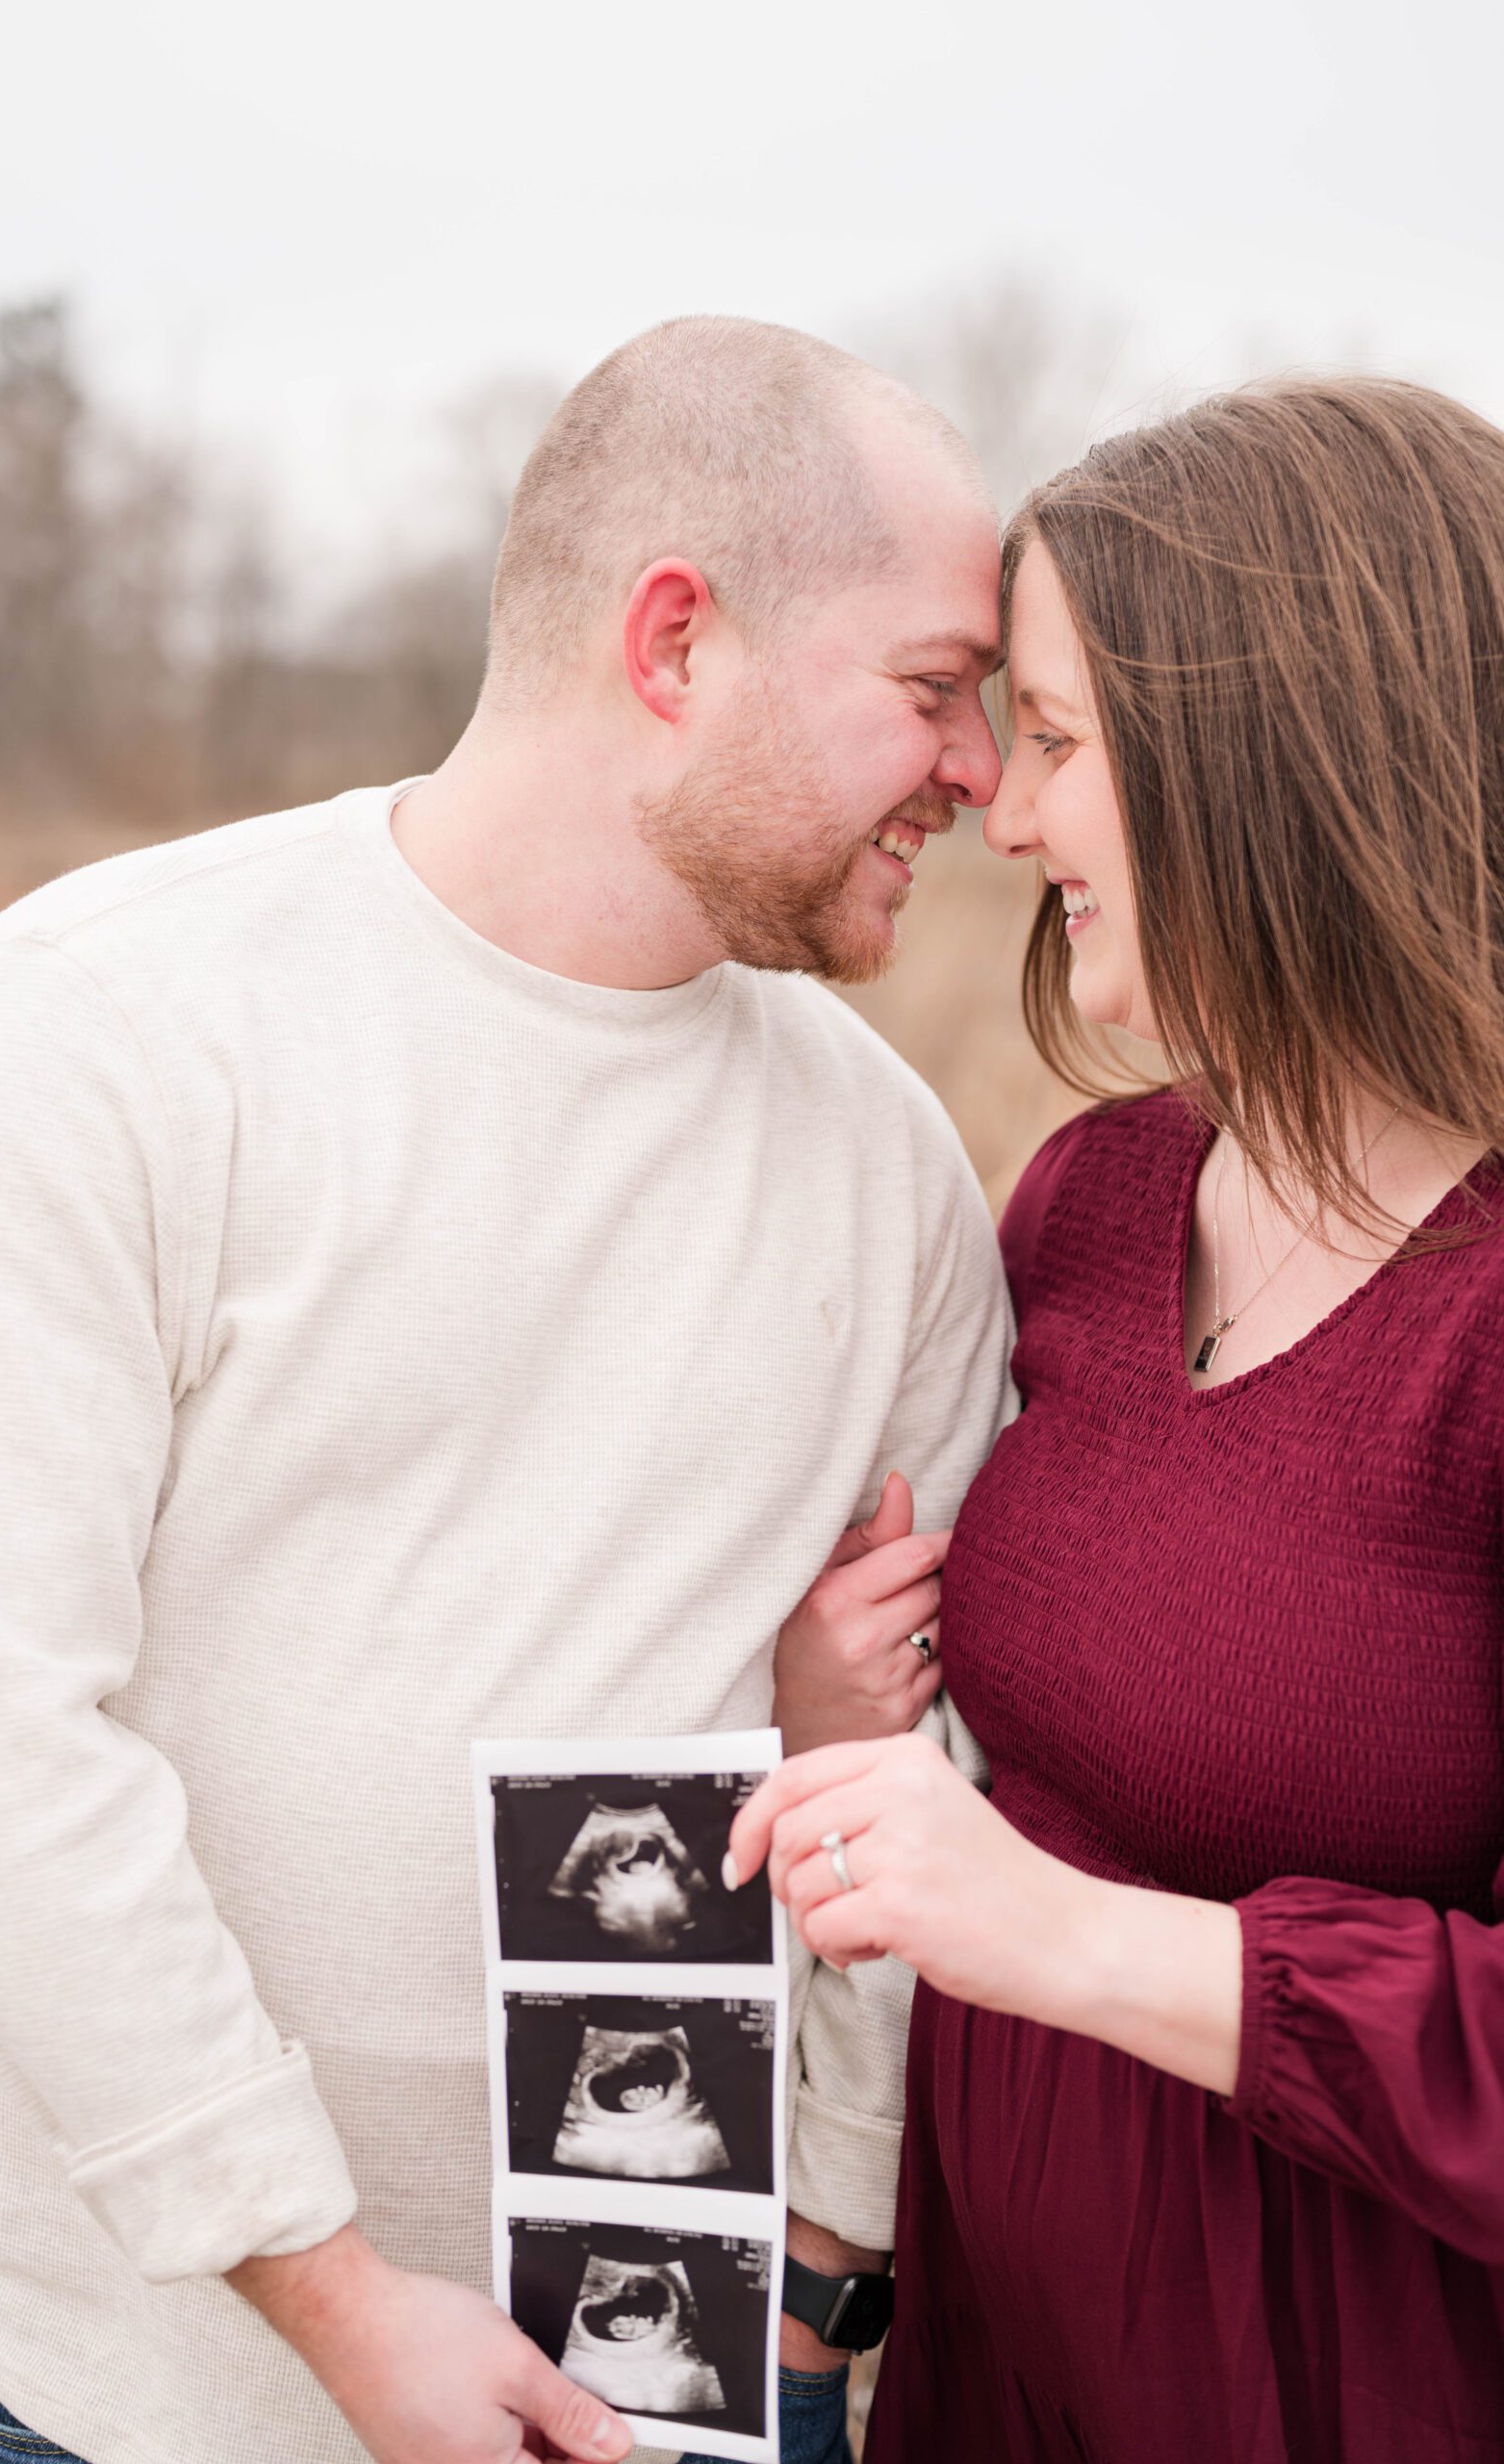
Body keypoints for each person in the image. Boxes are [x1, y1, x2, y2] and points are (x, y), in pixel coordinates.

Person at [0, 315, 1014, 2464]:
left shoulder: (892, 1172)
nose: (981, 770)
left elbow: (919, 1780)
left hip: (683, 2390)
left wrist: (828, 2270)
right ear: (675, 637)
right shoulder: (99, 1029)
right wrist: (332, 2292)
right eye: (935, 689)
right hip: (121, 2401)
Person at [727, 376, 1504, 2462]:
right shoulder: (1093, 1202)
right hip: (998, 2358)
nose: (1005, 811)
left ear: (1279, 758)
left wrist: (1063, 1934)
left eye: (1059, 737)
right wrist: (854, 1716)